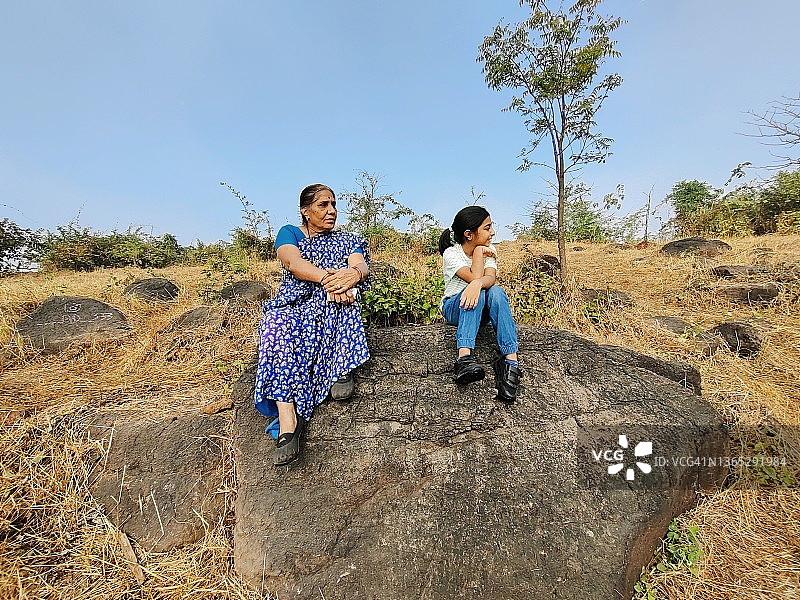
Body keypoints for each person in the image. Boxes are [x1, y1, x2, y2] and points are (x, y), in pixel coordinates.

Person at [254, 183, 370, 465]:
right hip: (297, 300)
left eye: (333, 205)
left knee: (342, 300)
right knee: (274, 325)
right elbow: (293, 262)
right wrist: (328, 280)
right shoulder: (290, 233)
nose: (331, 211)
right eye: (323, 205)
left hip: (335, 295)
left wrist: (351, 276)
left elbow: (360, 265)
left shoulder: (348, 239)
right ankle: (287, 421)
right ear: (306, 211)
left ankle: (340, 368)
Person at [438, 206, 521, 402]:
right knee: (479, 291)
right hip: (453, 307)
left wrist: (477, 284)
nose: (492, 232)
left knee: (496, 292)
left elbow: (489, 278)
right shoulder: (451, 254)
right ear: (469, 234)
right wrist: (478, 260)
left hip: (480, 305)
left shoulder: (490, 250)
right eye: (487, 228)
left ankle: (511, 363)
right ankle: (464, 358)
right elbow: (475, 276)